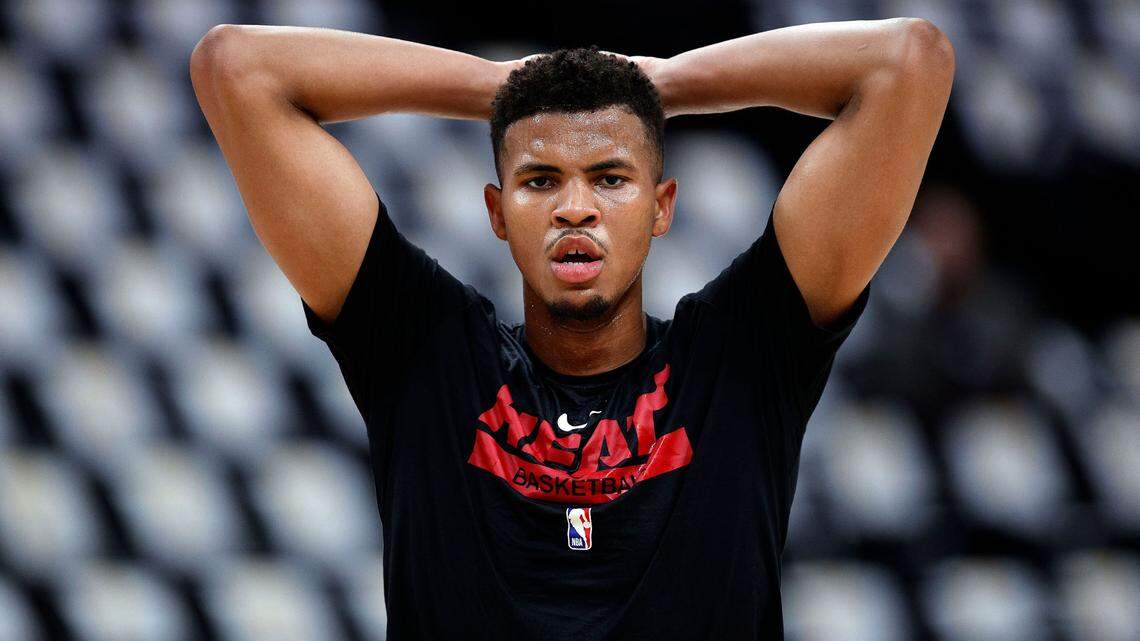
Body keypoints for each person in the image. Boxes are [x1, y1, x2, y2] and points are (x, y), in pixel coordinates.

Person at [189, 17, 953, 640]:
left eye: (611, 177)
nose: (575, 207)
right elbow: (237, 68)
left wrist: (663, 85)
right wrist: (505, 88)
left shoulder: (742, 355)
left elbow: (908, 62)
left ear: (662, 206)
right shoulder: (423, 350)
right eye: (540, 179)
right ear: (496, 213)